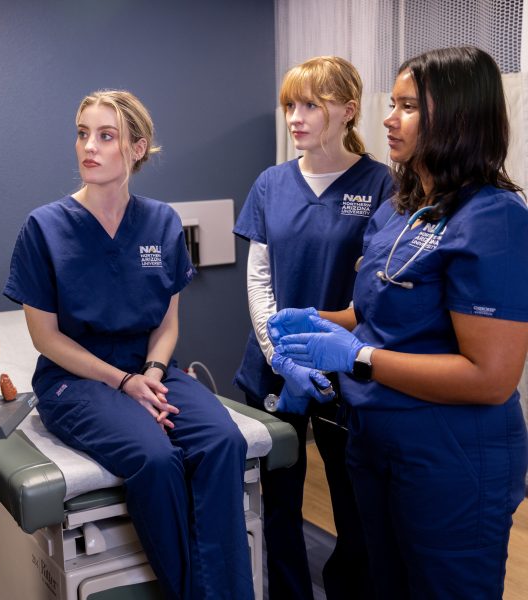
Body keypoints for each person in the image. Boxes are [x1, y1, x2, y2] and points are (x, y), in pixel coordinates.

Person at [271, 46, 528, 599]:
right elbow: (373, 313)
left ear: (457, 117)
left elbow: (492, 376)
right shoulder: (398, 207)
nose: (388, 119)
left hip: (451, 456)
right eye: (394, 103)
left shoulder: (493, 218)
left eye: (407, 106)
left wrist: (357, 357)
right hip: (375, 440)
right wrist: (313, 325)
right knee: (382, 584)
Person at [3, 89, 253, 599]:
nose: (88, 147)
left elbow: (167, 323)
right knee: (155, 459)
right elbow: (44, 338)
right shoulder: (44, 228)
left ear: (138, 149)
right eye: (82, 134)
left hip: (152, 371)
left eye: (106, 136)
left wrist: (153, 377)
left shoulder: (161, 221)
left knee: (223, 442)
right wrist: (124, 383)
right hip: (74, 382)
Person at [232, 56, 391, 599]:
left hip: (346, 373)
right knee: (277, 505)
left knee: (356, 511)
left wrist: (329, 353)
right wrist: (280, 358)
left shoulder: (381, 185)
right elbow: (258, 280)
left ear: (348, 111)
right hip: (274, 370)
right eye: (289, 107)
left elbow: (378, 290)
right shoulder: (271, 183)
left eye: (309, 106)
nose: (294, 119)